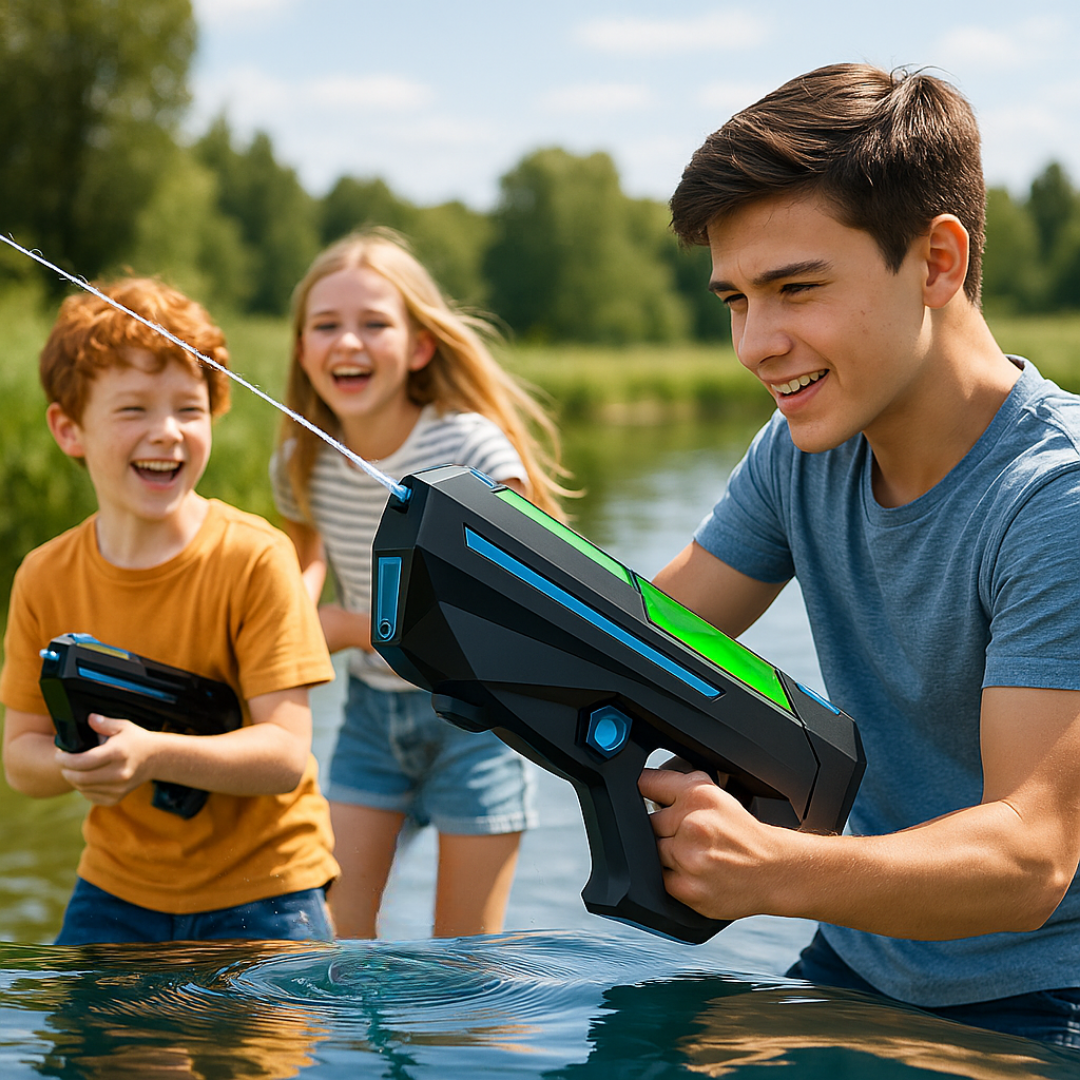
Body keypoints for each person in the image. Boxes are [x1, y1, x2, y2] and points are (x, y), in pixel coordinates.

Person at [637, 63, 1080, 1047]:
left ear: (936, 262)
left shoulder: (1058, 500)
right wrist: (484, 574)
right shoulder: (805, 449)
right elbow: (645, 637)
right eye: (735, 301)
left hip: (1044, 1009)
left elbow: (1029, 860)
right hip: (856, 960)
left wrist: (771, 869)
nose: (755, 343)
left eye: (795, 288)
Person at [1, 278, 339, 944]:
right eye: (132, 410)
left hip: (268, 891)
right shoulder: (43, 574)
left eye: (190, 408)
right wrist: (77, 763)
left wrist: (153, 755)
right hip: (116, 890)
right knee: (87, 1051)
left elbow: (284, 755)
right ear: (69, 429)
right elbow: (20, 757)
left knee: (256, 1052)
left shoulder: (256, 558)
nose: (167, 433)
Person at [270, 227, 567, 939]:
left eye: (374, 323)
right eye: (326, 326)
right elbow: (302, 567)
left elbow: (532, 577)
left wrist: (351, 626)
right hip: (372, 722)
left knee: (466, 964)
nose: (348, 342)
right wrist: (301, 618)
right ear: (304, 350)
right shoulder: (297, 463)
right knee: (332, 942)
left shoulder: (469, 446)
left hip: (482, 722)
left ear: (419, 347)